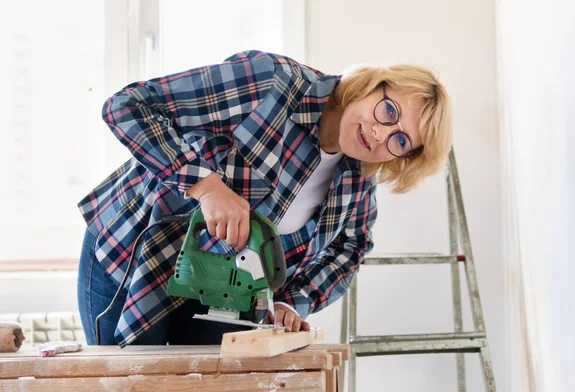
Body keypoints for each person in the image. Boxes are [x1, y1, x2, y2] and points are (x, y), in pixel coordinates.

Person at [76, 50, 453, 346]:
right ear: (373, 84)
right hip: (135, 256)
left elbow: (350, 249)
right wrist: (205, 186)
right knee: (128, 388)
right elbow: (128, 106)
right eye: (389, 111)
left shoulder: (356, 182)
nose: (379, 132)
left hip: (217, 295)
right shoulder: (272, 83)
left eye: (400, 141)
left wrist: (293, 300)